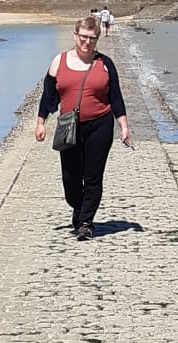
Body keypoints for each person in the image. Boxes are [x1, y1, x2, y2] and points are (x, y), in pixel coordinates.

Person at [34, 14, 131, 239]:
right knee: (71, 178)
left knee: (93, 176)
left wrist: (123, 126)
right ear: (75, 36)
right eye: (83, 37)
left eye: (92, 38)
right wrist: (41, 123)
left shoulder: (105, 64)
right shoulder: (59, 61)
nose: (87, 42)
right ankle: (78, 207)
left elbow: (116, 97)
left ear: (97, 39)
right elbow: (48, 96)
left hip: (100, 125)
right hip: (69, 127)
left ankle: (86, 222)